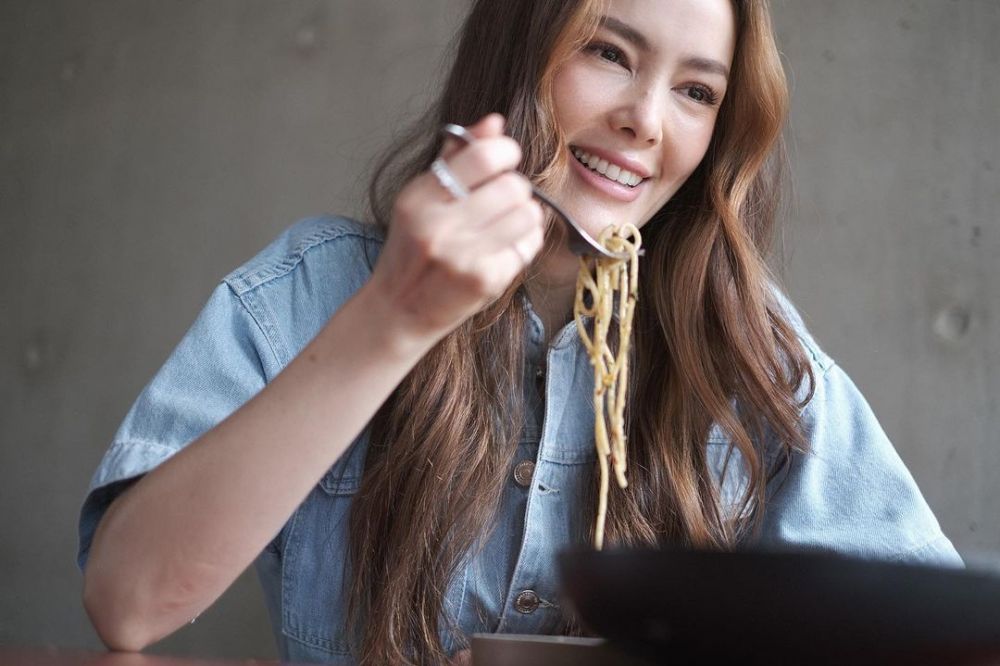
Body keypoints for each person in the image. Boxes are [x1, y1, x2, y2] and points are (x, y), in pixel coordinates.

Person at [77, 0, 962, 664]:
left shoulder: (742, 342)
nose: (646, 122)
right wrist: (395, 318)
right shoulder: (313, 291)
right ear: (519, 50)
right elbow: (129, 602)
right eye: (609, 53)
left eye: (696, 91)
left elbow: (941, 638)